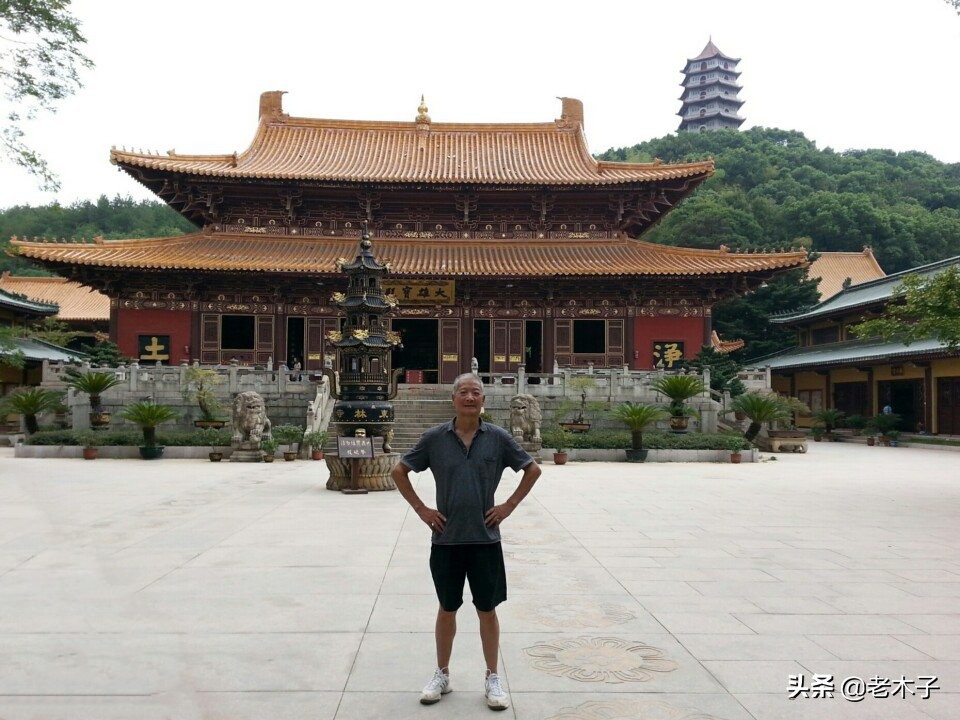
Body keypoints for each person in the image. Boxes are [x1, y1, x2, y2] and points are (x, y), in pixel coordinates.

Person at [391, 373, 541, 711]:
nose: (469, 397)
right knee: (447, 608)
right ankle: (442, 674)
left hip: (485, 540)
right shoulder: (434, 438)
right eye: (463, 392)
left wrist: (508, 505)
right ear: (453, 399)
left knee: (487, 610)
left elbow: (532, 469)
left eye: (475, 392)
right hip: (446, 540)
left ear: (483, 400)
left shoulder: (498, 438)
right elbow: (399, 471)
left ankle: (492, 677)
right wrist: (421, 509)